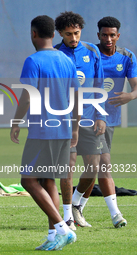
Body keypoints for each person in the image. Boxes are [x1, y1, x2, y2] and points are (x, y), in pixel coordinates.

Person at [10, 15, 79, 251]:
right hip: (64, 130)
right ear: (54, 34)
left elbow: (28, 95)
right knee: (48, 180)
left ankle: (63, 228)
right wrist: (76, 127)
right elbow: (77, 97)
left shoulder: (33, 60)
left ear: (34, 33)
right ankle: (53, 236)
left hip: (42, 132)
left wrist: (16, 121)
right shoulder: (67, 60)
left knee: (28, 180)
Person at [75, 16, 136, 228]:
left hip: (108, 119)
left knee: (95, 167)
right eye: (104, 35)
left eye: (112, 35)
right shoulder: (90, 54)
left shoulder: (127, 56)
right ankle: (115, 214)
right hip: (85, 116)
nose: (108, 39)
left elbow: (135, 87)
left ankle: (76, 205)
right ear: (98, 35)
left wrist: (131, 95)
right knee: (101, 165)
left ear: (118, 36)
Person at [54, 11, 106, 230]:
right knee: (68, 166)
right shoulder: (55, 53)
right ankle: (67, 216)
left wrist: (101, 114)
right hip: (64, 120)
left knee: (94, 167)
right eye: (68, 34)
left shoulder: (92, 51)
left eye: (76, 33)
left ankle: (76, 205)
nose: (73, 38)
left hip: (89, 118)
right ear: (59, 33)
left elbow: (99, 85)